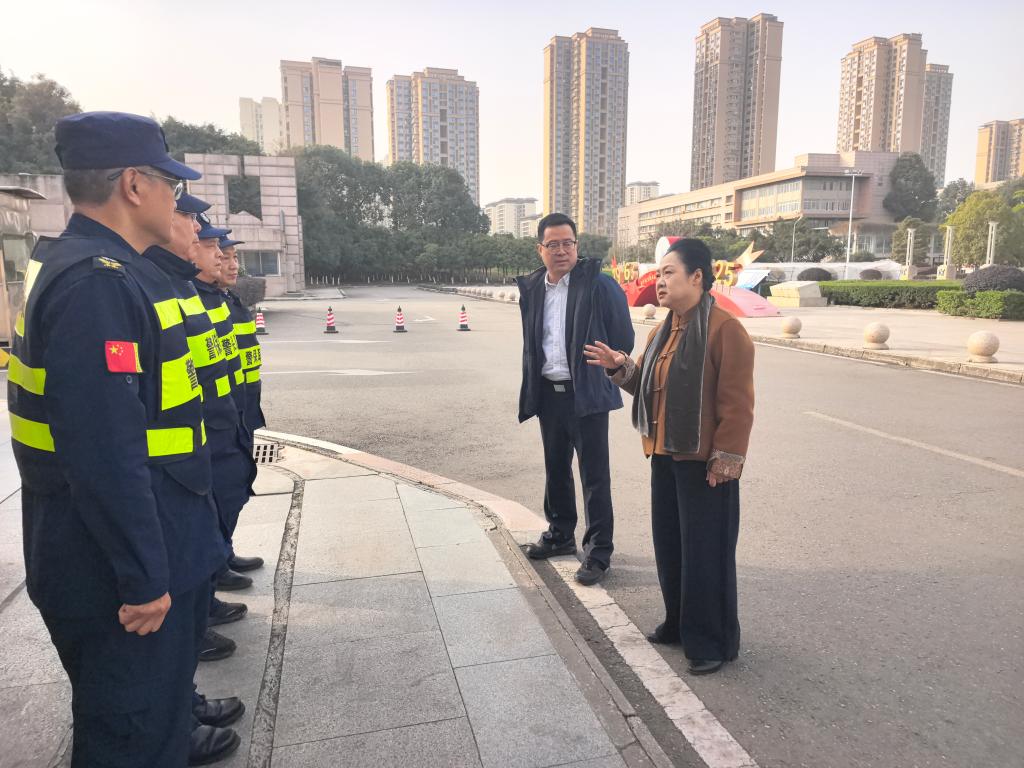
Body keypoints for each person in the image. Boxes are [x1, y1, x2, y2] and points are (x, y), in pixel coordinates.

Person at [6, 111, 224, 766]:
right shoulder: (98, 283)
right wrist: (143, 576)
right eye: (170, 185)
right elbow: (104, 449)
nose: (176, 201)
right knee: (133, 738)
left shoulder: (92, 266)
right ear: (133, 184)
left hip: (120, 539)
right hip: (110, 564)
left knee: (151, 722)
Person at [584, 238, 755, 675]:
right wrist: (619, 365)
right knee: (672, 546)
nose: (659, 281)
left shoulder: (724, 330)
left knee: (706, 553)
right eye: (658, 274)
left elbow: (737, 405)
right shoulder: (662, 331)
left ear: (697, 277)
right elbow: (647, 385)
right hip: (664, 455)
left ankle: (711, 641)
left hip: (704, 463)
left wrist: (726, 460)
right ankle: (679, 623)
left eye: (668, 273)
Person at [140, 193, 245, 765]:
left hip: (192, 457)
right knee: (162, 620)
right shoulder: (116, 283)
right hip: (162, 477)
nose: (196, 230)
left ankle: (181, 707)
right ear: (134, 189)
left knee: (186, 591)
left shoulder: (164, 283)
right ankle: (169, 727)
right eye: (189, 218)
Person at [515, 213, 634, 585]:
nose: (562, 250)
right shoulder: (534, 288)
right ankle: (560, 534)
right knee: (556, 468)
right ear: (540, 249)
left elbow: (623, 339)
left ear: (576, 246)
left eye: (568, 243)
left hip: (587, 394)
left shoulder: (598, 285)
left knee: (594, 476)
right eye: (553, 244)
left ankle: (598, 552)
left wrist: (608, 362)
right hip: (549, 394)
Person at [190, 215, 260, 592]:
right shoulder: (192, 298)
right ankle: (213, 566)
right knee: (221, 492)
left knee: (233, 489)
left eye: (230, 254)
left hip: (237, 410)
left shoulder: (223, 298)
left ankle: (222, 552)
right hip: (215, 419)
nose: (226, 261)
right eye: (216, 249)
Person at [218, 234, 267, 442]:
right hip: (229, 414)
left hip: (247, 405)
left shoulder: (233, 301)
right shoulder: (209, 305)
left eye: (235, 257)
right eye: (225, 258)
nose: (234, 265)